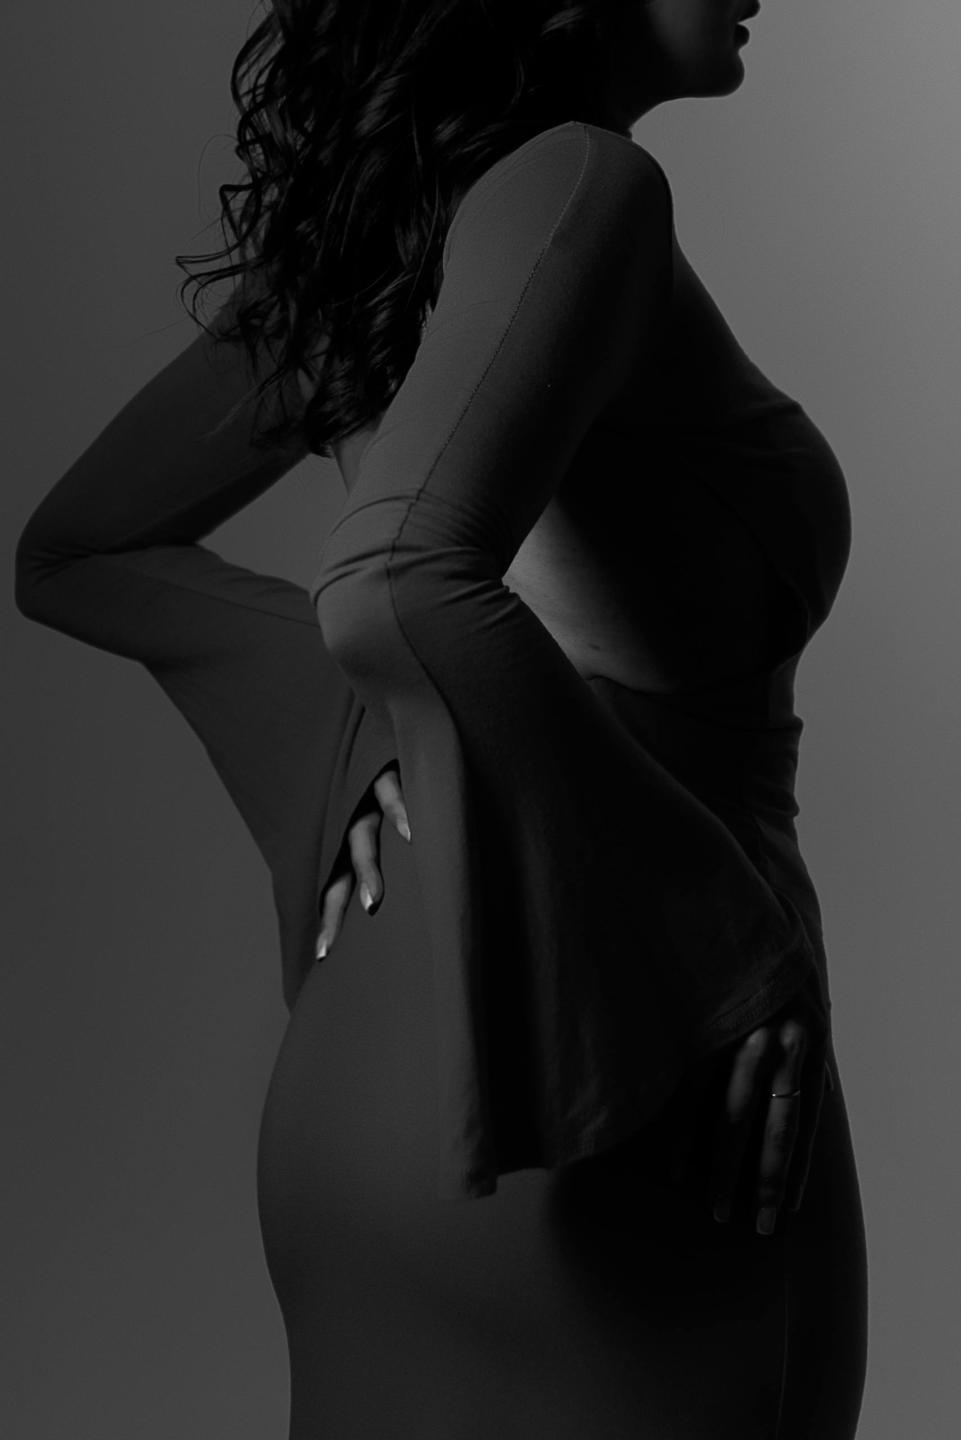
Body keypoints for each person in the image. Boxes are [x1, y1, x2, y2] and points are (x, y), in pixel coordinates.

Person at [14, 1, 868, 1435]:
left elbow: (78, 552)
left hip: (376, 1060)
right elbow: (399, 581)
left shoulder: (385, 241)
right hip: (623, 1048)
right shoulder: (586, 183)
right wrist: (724, 945)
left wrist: (363, 733)